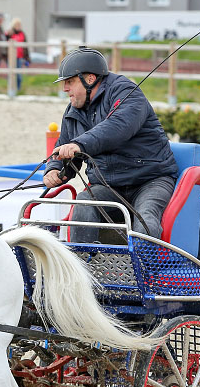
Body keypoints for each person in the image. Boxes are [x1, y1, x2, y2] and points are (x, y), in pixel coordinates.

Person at [43, 47, 177, 243]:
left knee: (145, 218)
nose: (65, 88)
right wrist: (54, 169)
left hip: (151, 179)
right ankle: (84, 267)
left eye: (69, 82)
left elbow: (118, 127)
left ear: (89, 79)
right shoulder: (73, 111)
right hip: (109, 185)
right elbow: (64, 144)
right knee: (84, 202)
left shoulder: (126, 92)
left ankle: (146, 271)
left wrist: (80, 144)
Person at [7, 18, 31, 92]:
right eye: (17, 24)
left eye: (19, 24)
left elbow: (25, 46)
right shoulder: (10, 33)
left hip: (20, 57)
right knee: (11, 74)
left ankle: (18, 89)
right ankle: (11, 89)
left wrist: (27, 57)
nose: (18, 26)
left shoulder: (22, 33)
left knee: (19, 75)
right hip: (11, 57)